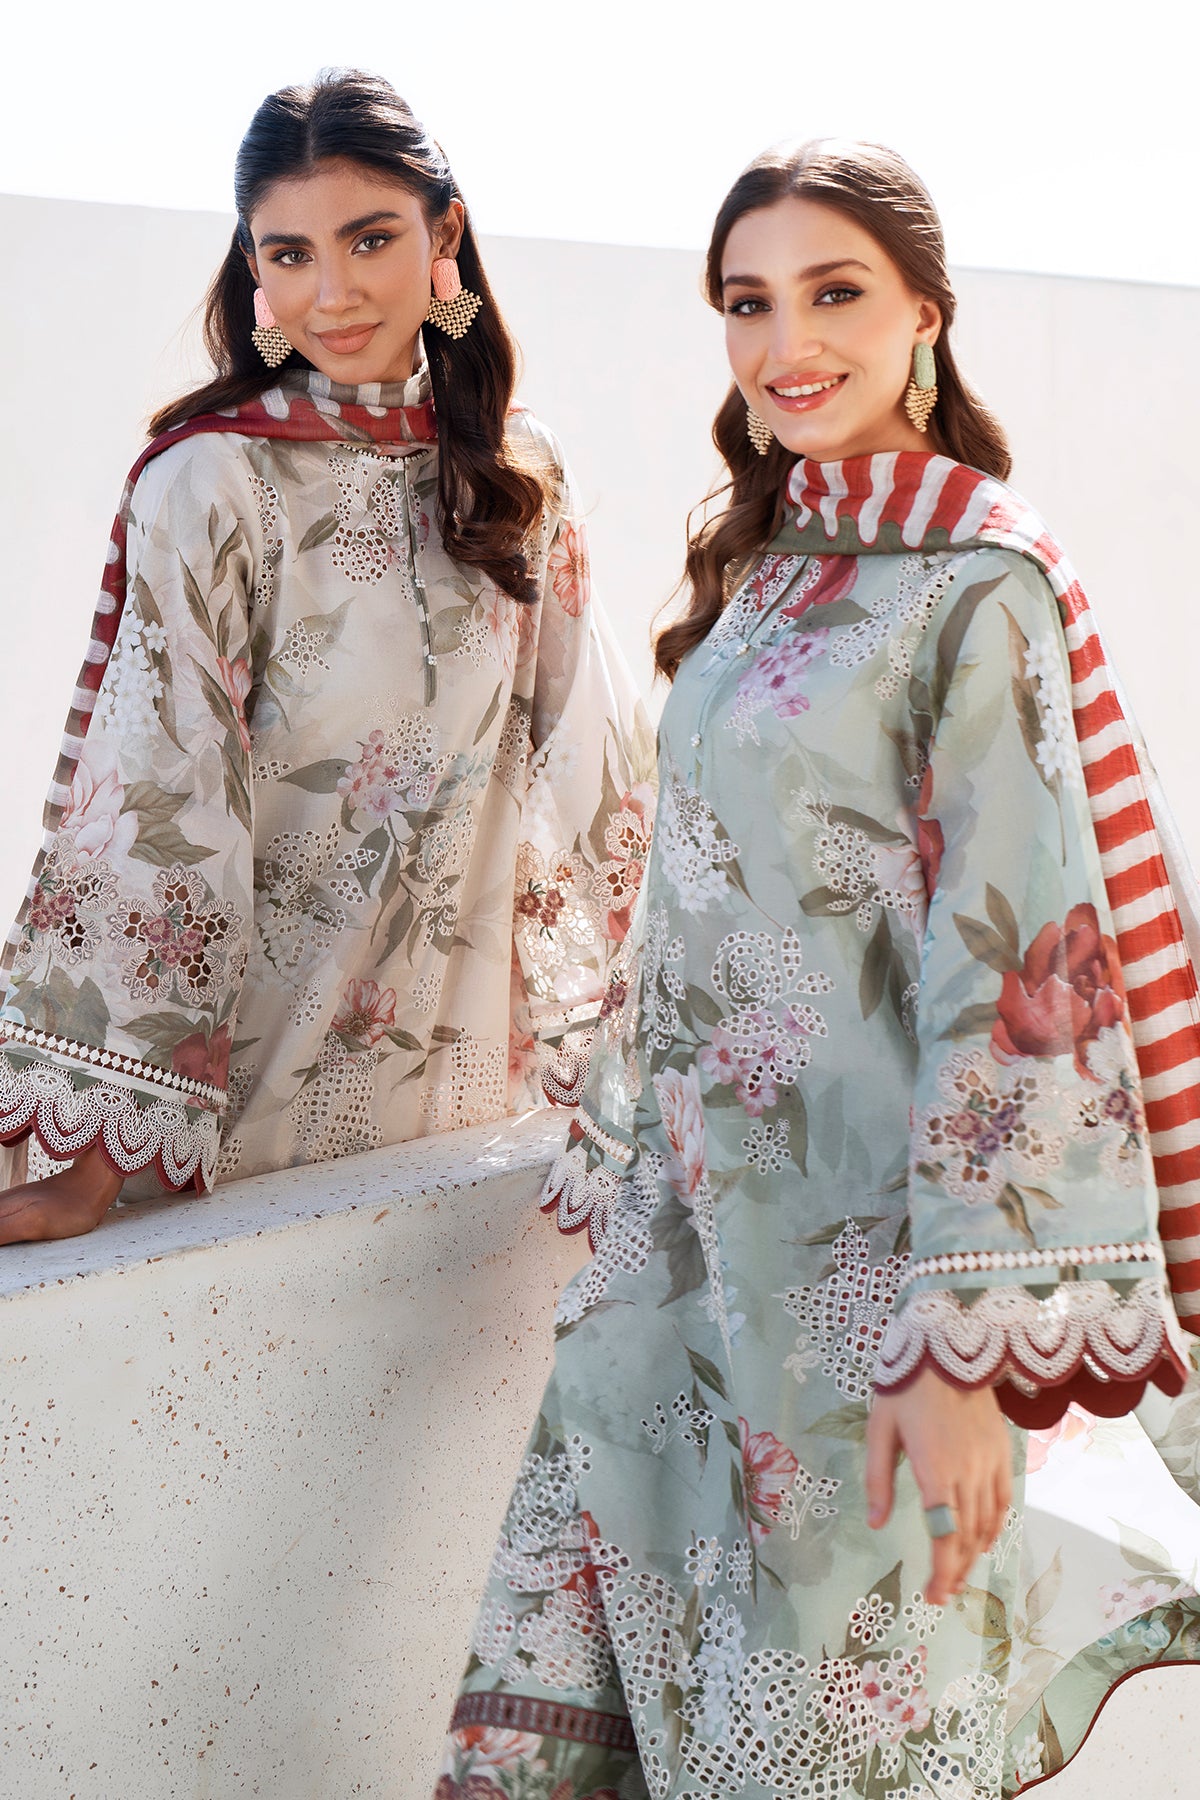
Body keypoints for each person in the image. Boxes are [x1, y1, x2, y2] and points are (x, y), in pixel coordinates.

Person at [438, 140, 1200, 1797]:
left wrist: (967, 1361)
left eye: (834, 292)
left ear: (926, 311)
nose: (786, 343)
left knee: (820, 1747)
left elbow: (1023, 978)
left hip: (867, 1305)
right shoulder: (776, 564)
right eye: (748, 302)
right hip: (688, 1272)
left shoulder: (980, 587)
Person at [0, 69, 653, 1243]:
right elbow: (160, 797)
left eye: (370, 240)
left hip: (458, 1106)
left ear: (444, 235)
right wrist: (91, 1166)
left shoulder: (514, 480)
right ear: (253, 267)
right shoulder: (211, 481)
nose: (334, 293)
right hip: (235, 1110)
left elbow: (601, 772)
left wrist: (657, 1071)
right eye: (291, 254)